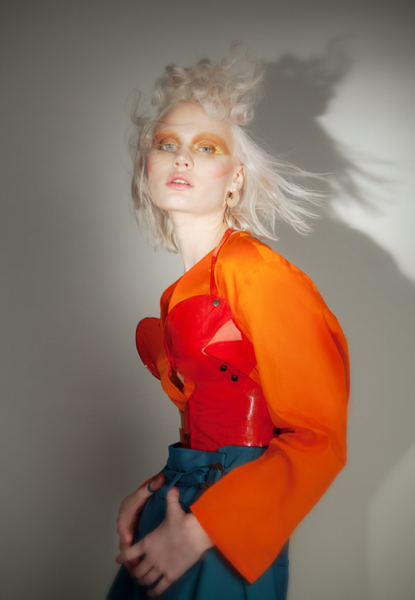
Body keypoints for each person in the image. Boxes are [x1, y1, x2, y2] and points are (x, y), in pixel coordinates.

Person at [107, 54, 349, 599]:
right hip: (179, 508)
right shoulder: (181, 293)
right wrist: (150, 492)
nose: (182, 157)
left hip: (224, 528)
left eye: (206, 148)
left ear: (235, 177)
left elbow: (319, 437)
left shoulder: (254, 271)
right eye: (167, 144)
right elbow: (209, 430)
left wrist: (201, 532)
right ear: (147, 165)